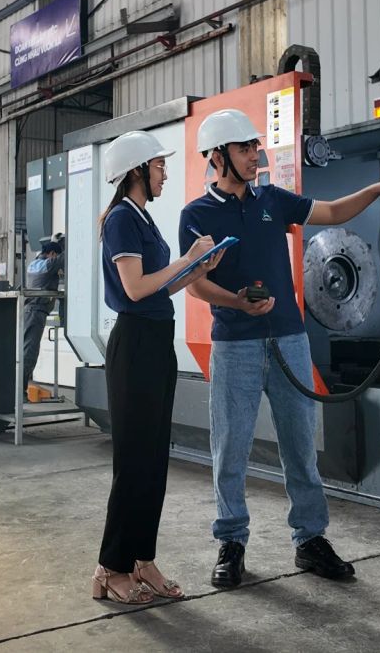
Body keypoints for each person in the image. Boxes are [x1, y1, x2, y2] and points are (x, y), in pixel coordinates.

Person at [178, 108, 380, 588]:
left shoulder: (273, 199)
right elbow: (194, 283)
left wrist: (375, 191)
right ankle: (231, 543)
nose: (255, 155)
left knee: (299, 446)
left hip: (289, 340)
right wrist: (237, 304)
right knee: (230, 448)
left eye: (255, 147)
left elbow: (329, 212)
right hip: (236, 345)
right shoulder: (197, 215)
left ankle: (310, 540)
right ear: (217, 156)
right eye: (245, 149)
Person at [92, 130, 224, 605]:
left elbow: (157, 287)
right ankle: (111, 567)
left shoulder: (141, 217)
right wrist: (186, 260)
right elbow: (133, 288)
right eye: (159, 165)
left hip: (155, 343)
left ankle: (141, 559)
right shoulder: (122, 220)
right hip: (134, 346)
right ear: (136, 170)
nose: (165, 171)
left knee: (152, 458)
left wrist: (196, 270)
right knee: (132, 461)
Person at [22, 234, 64, 396]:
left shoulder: (34, 263)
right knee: (30, 353)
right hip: (37, 312)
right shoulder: (49, 264)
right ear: (52, 254)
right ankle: (19, 393)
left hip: (28, 312)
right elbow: (63, 259)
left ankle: (17, 390)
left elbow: (46, 255)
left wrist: (53, 243)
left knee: (25, 351)